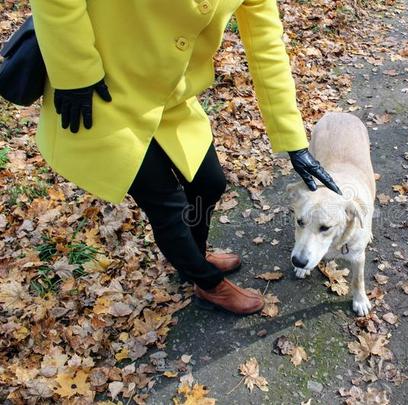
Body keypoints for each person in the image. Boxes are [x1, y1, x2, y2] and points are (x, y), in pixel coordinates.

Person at [29, 0, 340, 315]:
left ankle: (194, 254)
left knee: (209, 183)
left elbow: (267, 47)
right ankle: (206, 283)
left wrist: (294, 142)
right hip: (100, 94)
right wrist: (75, 72)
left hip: (169, 99)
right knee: (167, 206)